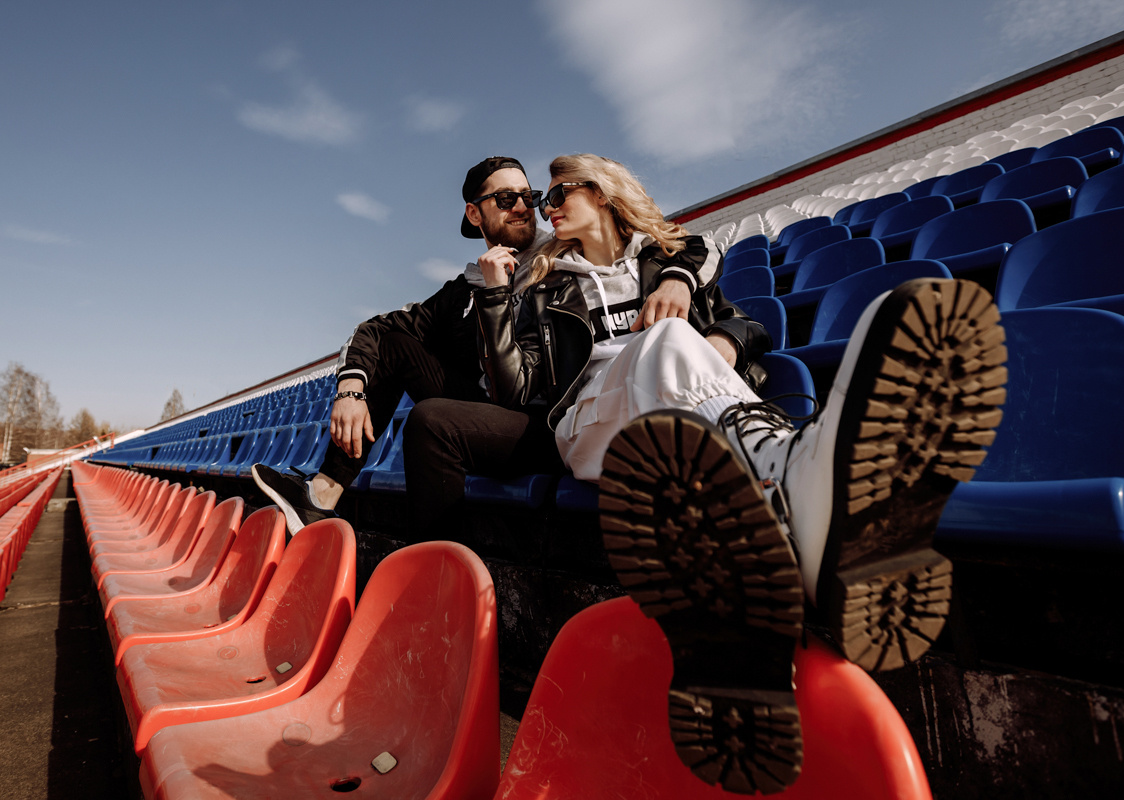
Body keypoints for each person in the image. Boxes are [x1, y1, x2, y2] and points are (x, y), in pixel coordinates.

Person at [474, 154, 1008, 794]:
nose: (546, 204)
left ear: (607, 192)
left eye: (560, 189)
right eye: (543, 194)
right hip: (589, 422)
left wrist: (720, 334)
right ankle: (795, 471)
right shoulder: (541, 283)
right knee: (667, 343)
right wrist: (495, 297)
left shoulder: (670, 259)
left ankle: (766, 539)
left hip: (678, 425)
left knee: (676, 345)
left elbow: (747, 321)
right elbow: (516, 391)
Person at [251, 156, 551, 535]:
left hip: (541, 423)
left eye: (529, 195)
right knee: (394, 345)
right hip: (486, 418)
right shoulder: (462, 292)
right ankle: (321, 496)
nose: (524, 207)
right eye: (507, 198)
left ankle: (436, 573)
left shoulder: (560, 257)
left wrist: (655, 281)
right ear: (474, 215)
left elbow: (629, 241)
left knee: (429, 420)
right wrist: (350, 391)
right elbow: (375, 329)